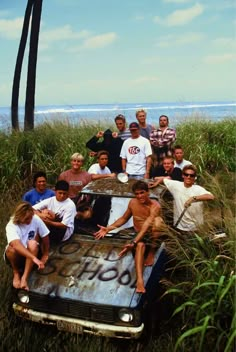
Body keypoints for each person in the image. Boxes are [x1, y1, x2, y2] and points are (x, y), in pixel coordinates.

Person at [94, 180, 165, 293]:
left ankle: (152, 250)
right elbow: (124, 218)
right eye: (137, 194)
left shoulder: (155, 206)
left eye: (142, 193)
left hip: (151, 233)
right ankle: (140, 282)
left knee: (158, 222)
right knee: (140, 246)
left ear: (147, 192)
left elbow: (147, 224)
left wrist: (133, 242)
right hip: (138, 232)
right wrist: (109, 228)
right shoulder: (132, 202)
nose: (139, 196)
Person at [4, 201, 50, 290]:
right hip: (19, 253)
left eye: (30, 218)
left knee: (32, 243)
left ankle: (24, 277)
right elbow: (16, 244)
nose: (29, 221)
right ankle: (16, 272)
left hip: (33, 249)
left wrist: (46, 253)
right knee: (10, 249)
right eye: (26, 219)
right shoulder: (11, 225)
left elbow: (45, 235)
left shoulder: (35, 219)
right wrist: (34, 258)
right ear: (19, 217)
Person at [163, 164, 215, 233]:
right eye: (186, 174)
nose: (188, 177)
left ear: (195, 177)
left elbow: (211, 197)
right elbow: (164, 180)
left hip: (195, 228)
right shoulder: (175, 185)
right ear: (183, 175)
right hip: (179, 227)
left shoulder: (198, 189)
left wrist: (194, 198)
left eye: (191, 175)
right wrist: (155, 181)